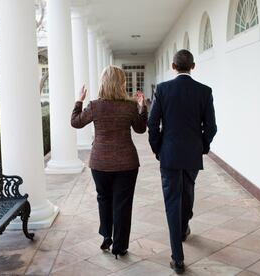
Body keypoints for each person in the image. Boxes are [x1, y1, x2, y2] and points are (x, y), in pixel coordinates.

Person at [148, 49, 217, 274]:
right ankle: (184, 226)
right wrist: (203, 147)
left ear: (173, 66)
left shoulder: (163, 89)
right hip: (191, 154)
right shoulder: (204, 91)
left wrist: (158, 149)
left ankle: (177, 257)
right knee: (187, 192)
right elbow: (212, 127)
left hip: (169, 154)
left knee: (172, 203)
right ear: (193, 66)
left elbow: (152, 124)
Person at [71, 65, 148, 258]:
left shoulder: (95, 106)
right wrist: (142, 107)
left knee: (104, 199)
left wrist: (79, 101)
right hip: (127, 163)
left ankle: (106, 236)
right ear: (122, 83)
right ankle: (120, 246)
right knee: (123, 204)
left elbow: (76, 122)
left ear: (103, 82)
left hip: (100, 163)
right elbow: (140, 129)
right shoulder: (129, 106)